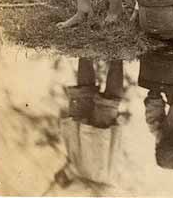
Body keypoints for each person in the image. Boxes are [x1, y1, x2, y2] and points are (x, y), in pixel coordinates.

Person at [53, 59, 126, 191]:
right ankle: (117, 57)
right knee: (107, 102)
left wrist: (64, 177)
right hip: (98, 146)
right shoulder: (96, 184)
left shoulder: (76, 173)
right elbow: (100, 189)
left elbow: (72, 169)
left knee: (85, 93)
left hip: (83, 137)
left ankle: (86, 50)